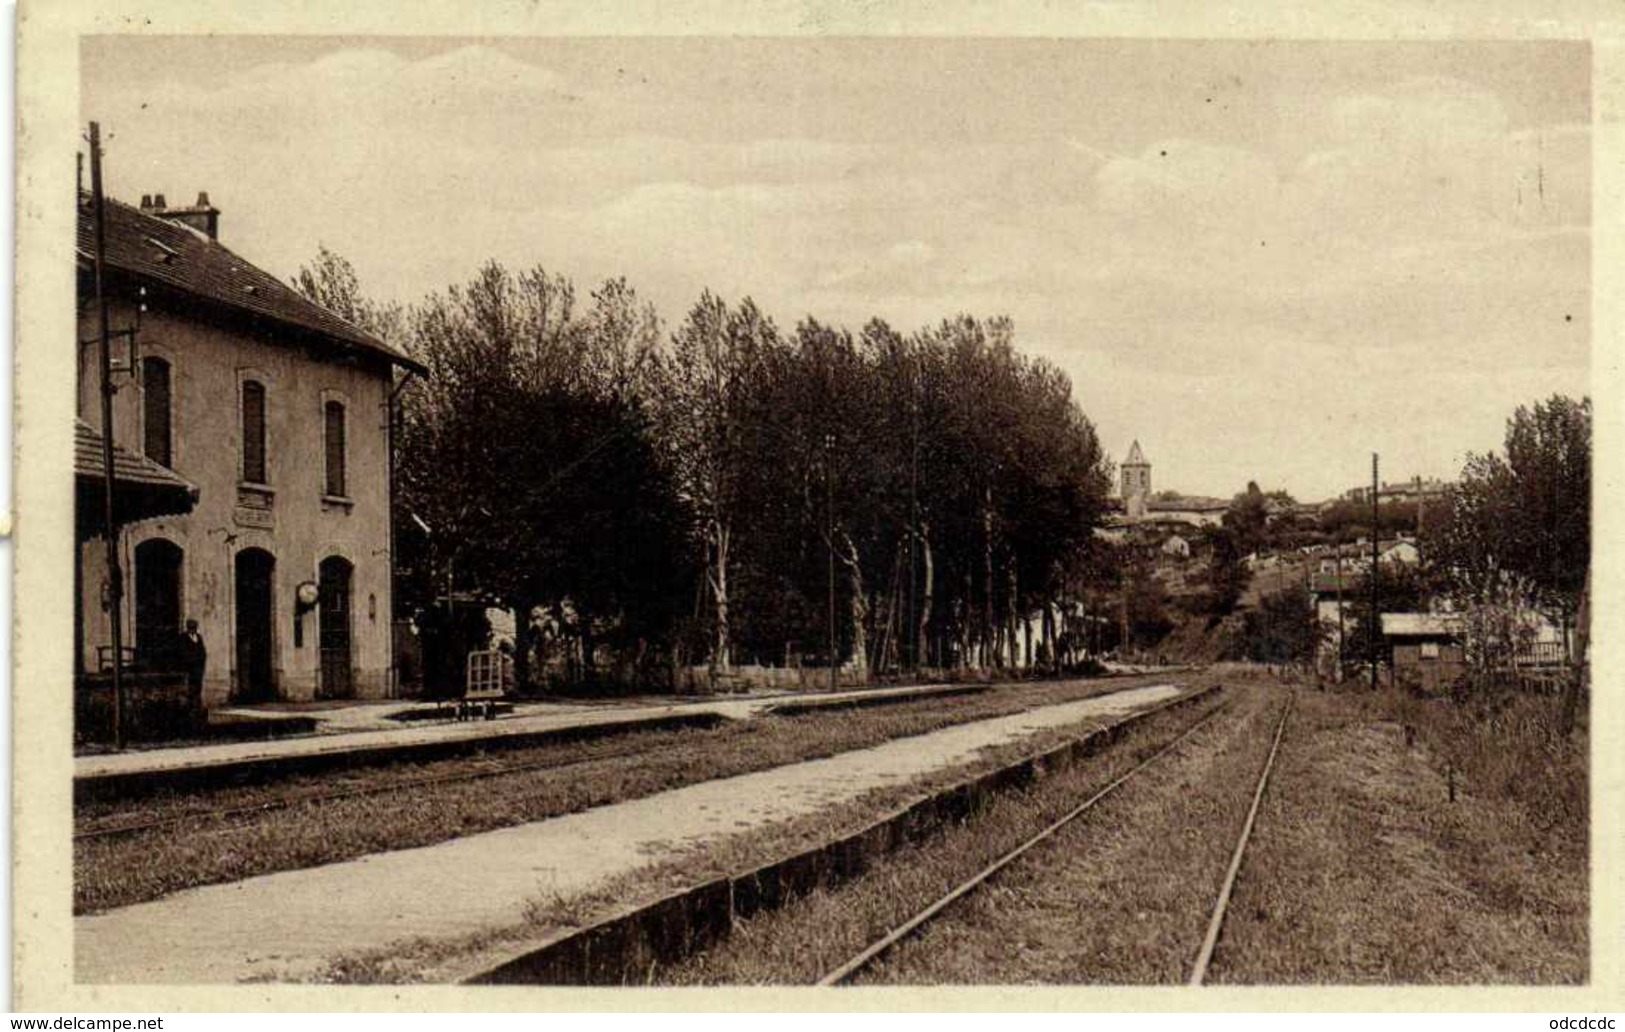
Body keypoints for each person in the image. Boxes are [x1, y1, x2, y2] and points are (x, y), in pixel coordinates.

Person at [177, 619, 207, 727]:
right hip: (189, 669)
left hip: (198, 669)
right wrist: (192, 661)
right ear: (188, 627)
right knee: (190, 690)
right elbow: (183, 653)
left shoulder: (198, 637)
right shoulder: (183, 638)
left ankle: (197, 710)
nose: (193, 629)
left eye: (195, 627)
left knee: (198, 689)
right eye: (191, 627)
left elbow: (203, 652)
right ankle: (190, 712)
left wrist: (201, 663)